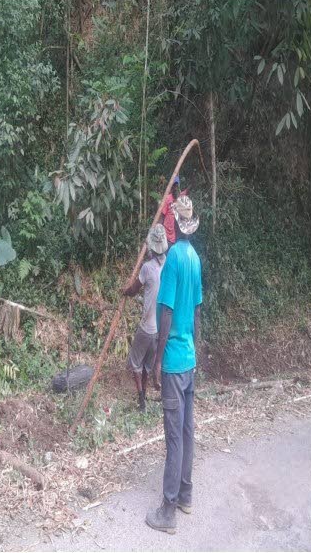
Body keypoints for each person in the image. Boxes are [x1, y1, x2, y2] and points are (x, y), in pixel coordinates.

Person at [145, 195, 203, 534]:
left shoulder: (172, 264)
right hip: (190, 359)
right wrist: (197, 350)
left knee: (174, 434)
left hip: (174, 362)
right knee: (187, 429)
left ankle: (167, 511)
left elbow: (165, 313)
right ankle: (186, 494)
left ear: (175, 227)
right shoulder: (195, 259)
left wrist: (157, 359)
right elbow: (197, 311)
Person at [121, 224, 168, 411]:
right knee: (149, 364)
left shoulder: (147, 268)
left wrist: (125, 291)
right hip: (161, 329)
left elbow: (134, 290)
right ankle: (145, 397)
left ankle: (141, 401)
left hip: (148, 327)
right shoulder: (168, 264)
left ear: (151, 248)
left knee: (135, 362)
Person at [160, 175, 189, 246]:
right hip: (167, 236)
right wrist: (160, 232)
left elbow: (188, 190)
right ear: (171, 188)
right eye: (174, 186)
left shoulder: (180, 197)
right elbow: (162, 216)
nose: (175, 188)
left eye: (177, 186)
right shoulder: (167, 199)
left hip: (176, 236)